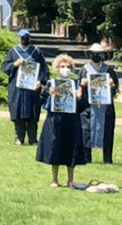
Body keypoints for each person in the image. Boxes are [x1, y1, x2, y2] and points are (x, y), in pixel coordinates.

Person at [36, 53, 90, 187]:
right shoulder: (51, 83)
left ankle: (70, 179)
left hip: (72, 120)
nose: (65, 69)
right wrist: (49, 94)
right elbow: (42, 102)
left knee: (71, 148)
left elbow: (84, 105)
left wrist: (81, 94)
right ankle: (54, 179)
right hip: (55, 119)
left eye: (67, 66)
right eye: (62, 66)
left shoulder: (76, 84)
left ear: (71, 69)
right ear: (57, 68)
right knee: (55, 147)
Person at [1, 29, 47, 145]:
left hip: (32, 89)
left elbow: (44, 69)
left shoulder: (36, 52)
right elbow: (5, 68)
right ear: (18, 38)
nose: (24, 39)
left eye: (26, 37)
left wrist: (40, 81)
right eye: (22, 37)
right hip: (17, 88)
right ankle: (19, 138)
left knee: (32, 114)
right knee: (18, 113)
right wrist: (14, 64)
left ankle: (32, 139)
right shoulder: (13, 52)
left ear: (29, 38)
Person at [83, 43, 120, 164]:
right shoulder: (84, 70)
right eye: (93, 54)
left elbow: (115, 88)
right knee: (87, 131)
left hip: (105, 106)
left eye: (98, 54)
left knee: (107, 131)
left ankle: (107, 158)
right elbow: (79, 89)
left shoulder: (108, 70)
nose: (96, 56)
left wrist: (112, 85)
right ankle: (87, 157)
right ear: (89, 54)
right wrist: (82, 84)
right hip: (89, 106)